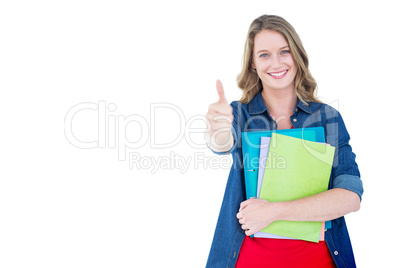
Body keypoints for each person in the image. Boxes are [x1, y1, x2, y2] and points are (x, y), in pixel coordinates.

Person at [204, 15, 363, 268]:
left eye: (284, 51)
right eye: (264, 55)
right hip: (250, 260)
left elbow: (350, 197)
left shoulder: (327, 119)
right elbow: (222, 143)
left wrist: (273, 211)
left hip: (318, 260)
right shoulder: (240, 114)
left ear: (296, 56)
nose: (275, 62)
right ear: (253, 64)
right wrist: (217, 128)